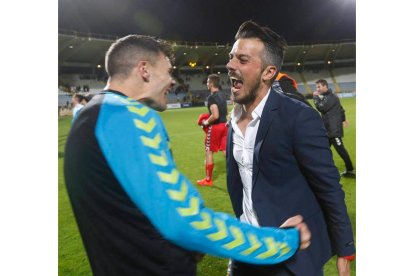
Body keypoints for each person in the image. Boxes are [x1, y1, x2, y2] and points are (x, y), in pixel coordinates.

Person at [64, 34, 311, 276]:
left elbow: (126, 211)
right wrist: (284, 241)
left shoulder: (89, 114)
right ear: (144, 70)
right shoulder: (129, 117)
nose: (172, 81)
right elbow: (187, 220)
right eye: (168, 71)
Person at [225, 21, 355, 276]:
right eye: (231, 57)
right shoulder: (234, 117)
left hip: (291, 256)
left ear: (268, 72)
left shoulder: (298, 117)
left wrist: (345, 250)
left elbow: (329, 188)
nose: (230, 65)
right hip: (246, 249)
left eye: (242, 59)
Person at [313, 79, 355, 177]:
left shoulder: (330, 97)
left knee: (341, 150)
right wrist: (344, 119)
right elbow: (341, 109)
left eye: (318, 87)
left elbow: (321, 107)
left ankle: (350, 170)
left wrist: (315, 97)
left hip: (333, 130)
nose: (317, 89)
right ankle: (323, 168)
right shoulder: (329, 97)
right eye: (316, 87)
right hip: (328, 130)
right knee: (322, 149)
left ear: (325, 86)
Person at [196, 74, 228, 186]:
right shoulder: (223, 95)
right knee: (226, 151)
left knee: (209, 152)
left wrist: (205, 122)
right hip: (225, 126)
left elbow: (215, 115)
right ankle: (240, 173)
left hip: (216, 127)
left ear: (211, 83)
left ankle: (208, 180)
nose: (206, 83)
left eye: (207, 81)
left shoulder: (212, 97)